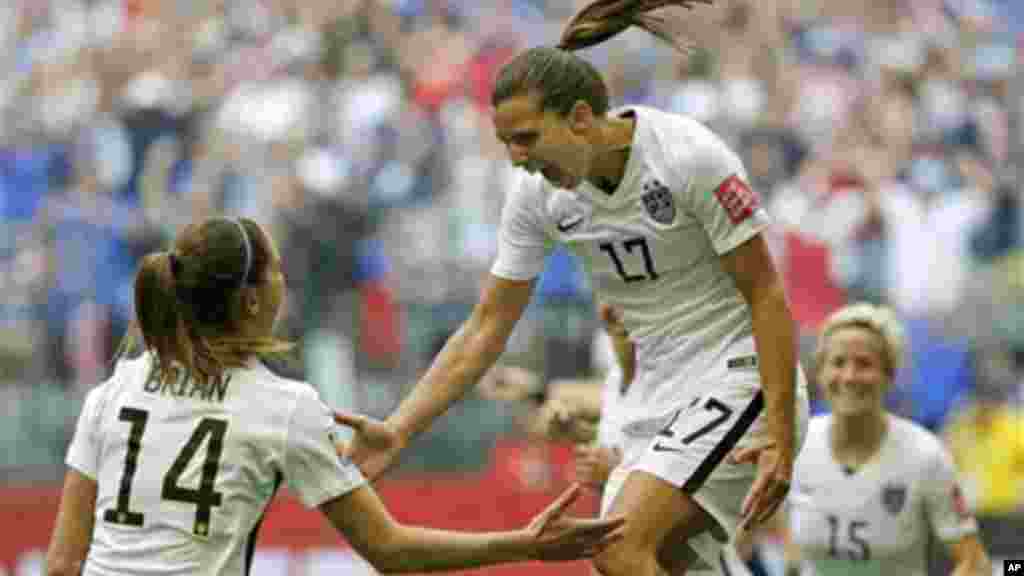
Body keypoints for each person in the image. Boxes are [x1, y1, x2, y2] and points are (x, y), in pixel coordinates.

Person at [335, 1, 811, 575]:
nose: (518, 159)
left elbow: (767, 294)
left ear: (582, 118)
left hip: (736, 376)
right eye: (507, 142)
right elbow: (486, 328)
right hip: (651, 397)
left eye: (527, 138)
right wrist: (399, 428)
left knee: (616, 545)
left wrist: (781, 440)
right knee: (649, 559)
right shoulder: (537, 197)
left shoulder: (688, 156)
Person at [44, 217, 625, 576]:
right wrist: (523, 544)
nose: (283, 280)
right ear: (251, 300)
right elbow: (390, 551)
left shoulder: (112, 391)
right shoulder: (283, 406)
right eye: (274, 270)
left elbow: (64, 563)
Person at [735, 303, 991, 576]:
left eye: (864, 364)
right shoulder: (794, 445)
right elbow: (739, 543)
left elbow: (975, 563)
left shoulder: (925, 455)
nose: (849, 376)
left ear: (889, 375)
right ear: (820, 373)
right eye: (838, 362)